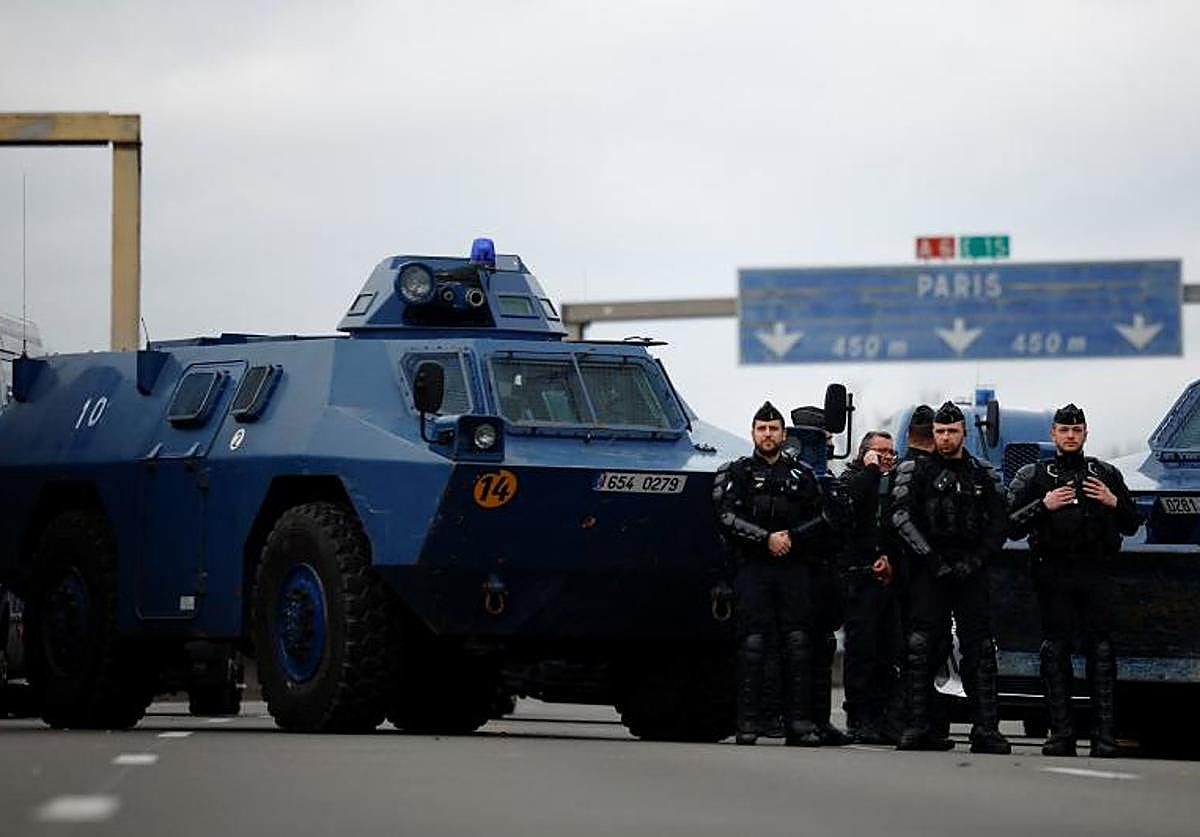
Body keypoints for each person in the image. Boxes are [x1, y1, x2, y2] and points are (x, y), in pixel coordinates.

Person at [1007, 404, 1141, 757]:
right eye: (1064, 430)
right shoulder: (1034, 475)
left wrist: (1113, 502)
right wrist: (1043, 505)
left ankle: (1104, 737)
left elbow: (1132, 523)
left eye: (1076, 430)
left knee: (1102, 653)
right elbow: (1009, 525)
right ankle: (1062, 734)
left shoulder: (1105, 473)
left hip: (1095, 572)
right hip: (1053, 574)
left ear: (1085, 433)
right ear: (1053, 433)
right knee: (1055, 652)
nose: (1070, 436)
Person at [712, 401, 844, 746]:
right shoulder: (737, 473)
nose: (767, 434)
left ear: (783, 434)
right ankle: (748, 722)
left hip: (793, 568)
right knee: (753, 644)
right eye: (762, 428)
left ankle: (798, 723)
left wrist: (792, 538)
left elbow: (825, 518)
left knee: (798, 644)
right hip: (754, 567)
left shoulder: (802, 474)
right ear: (753, 433)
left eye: (773, 429)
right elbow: (725, 517)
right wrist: (765, 539)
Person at [889, 401, 1011, 753]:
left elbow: (999, 523)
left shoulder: (983, 474)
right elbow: (901, 517)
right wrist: (931, 559)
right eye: (940, 432)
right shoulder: (916, 471)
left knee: (980, 649)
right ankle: (918, 725)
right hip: (930, 570)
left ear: (963, 433)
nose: (945, 437)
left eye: (951, 431)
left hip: (972, 570)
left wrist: (977, 559)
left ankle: (986, 728)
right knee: (923, 647)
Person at [839, 430, 901, 743]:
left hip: (888, 576)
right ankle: (859, 716)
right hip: (858, 577)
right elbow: (847, 508)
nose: (888, 457)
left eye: (891, 452)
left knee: (888, 652)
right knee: (861, 650)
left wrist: (889, 557)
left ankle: (885, 717)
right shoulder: (853, 479)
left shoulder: (897, 483)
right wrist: (871, 470)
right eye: (881, 451)